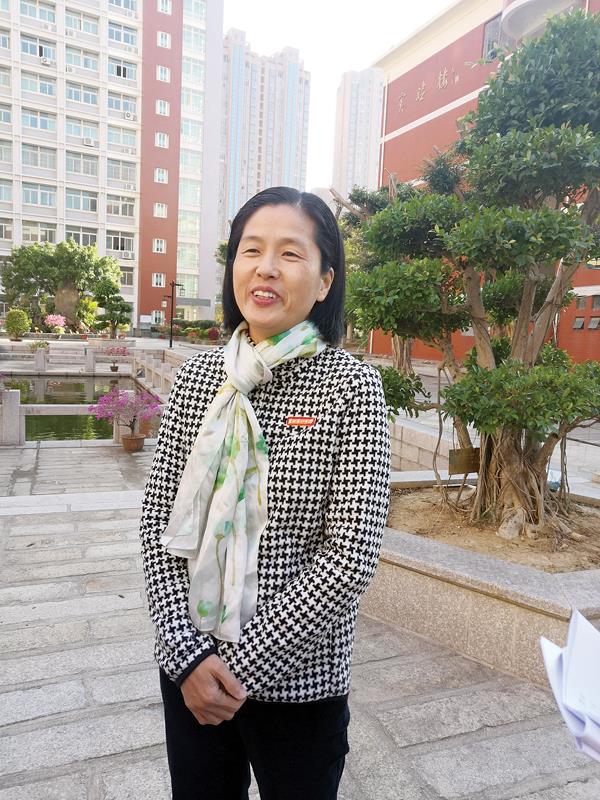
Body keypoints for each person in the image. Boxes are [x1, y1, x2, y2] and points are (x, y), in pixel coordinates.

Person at [139, 186, 391, 800]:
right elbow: (160, 525)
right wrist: (188, 657)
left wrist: (236, 666)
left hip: (301, 682)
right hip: (190, 671)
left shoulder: (352, 387)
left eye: (290, 253)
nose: (266, 268)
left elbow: (350, 556)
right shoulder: (199, 379)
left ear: (325, 281)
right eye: (251, 250)